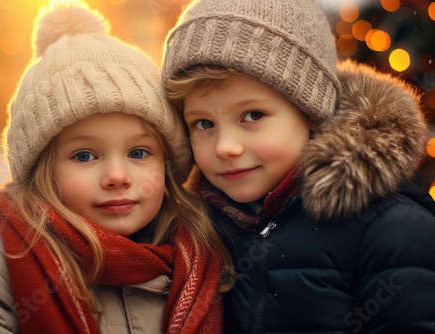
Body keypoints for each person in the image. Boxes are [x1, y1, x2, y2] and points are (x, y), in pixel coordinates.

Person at [0, 3, 233, 334]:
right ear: (41, 170)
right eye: (84, 156)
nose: (117, 177)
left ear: (167, 163)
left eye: (138, 152)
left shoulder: (203, 259)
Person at [161, 0, 435, 332]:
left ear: (311, 114)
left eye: (253, 115)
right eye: (203, 123)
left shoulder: (390, 229)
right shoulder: (198, 228)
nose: (225, 148)